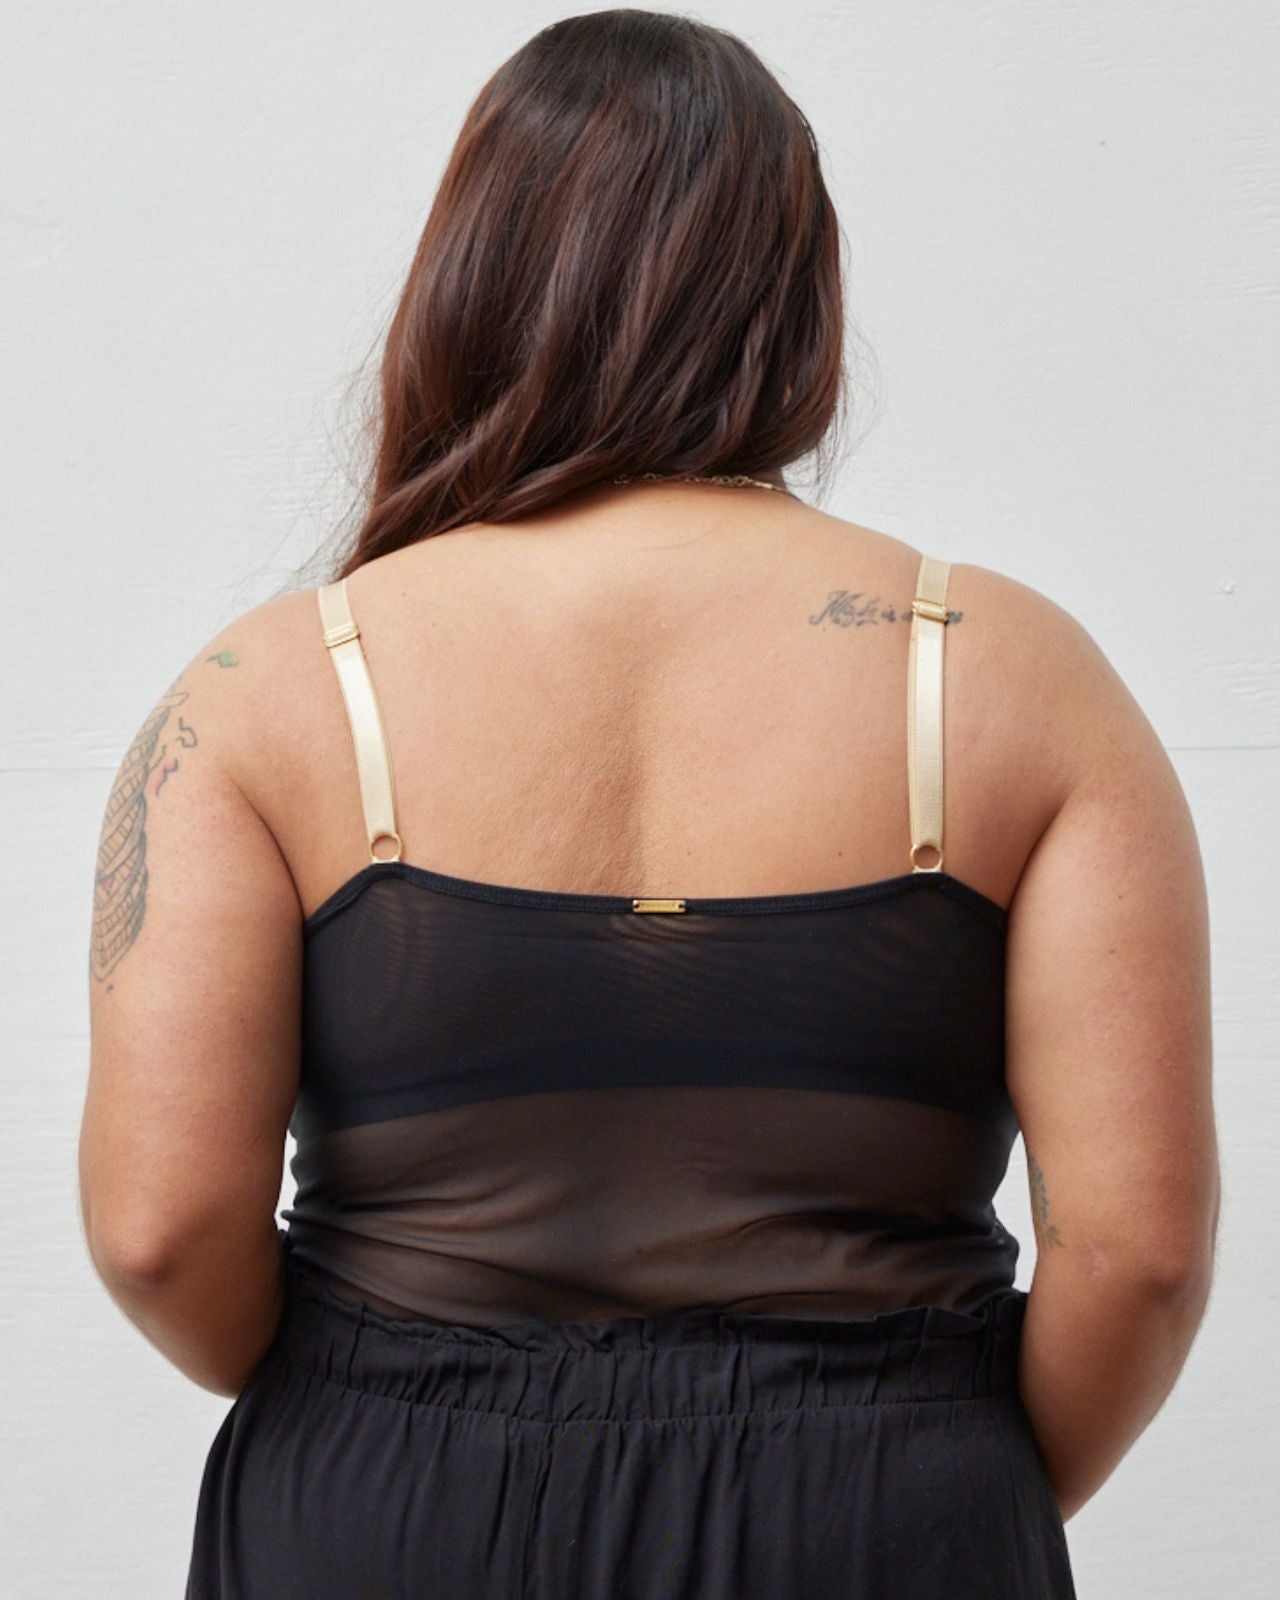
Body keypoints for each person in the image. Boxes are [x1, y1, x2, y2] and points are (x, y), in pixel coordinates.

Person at [80, 10, 1219, 1598]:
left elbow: (158, 1231)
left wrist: (393, 1409)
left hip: (386, 1520)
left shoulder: (260, 694)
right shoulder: (1018, 678)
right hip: (881, 1515)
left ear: (471, 276)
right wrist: (931, 1485)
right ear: (798, 295)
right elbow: (1139, 1257)